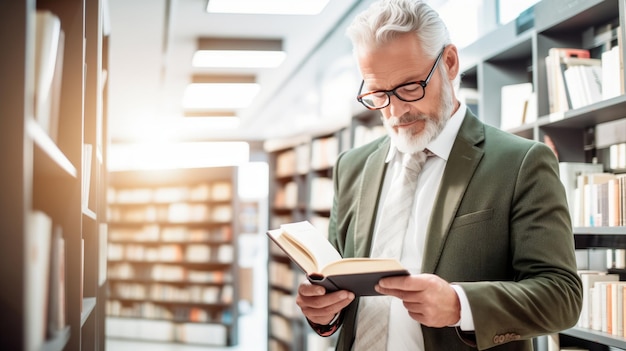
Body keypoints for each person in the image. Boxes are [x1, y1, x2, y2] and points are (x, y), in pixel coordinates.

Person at [294, 0, 583, 350]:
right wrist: (323, 312)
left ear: (449, 63)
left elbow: (562, 296)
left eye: (410, 87)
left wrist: (460, 304)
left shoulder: (520, 163)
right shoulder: (352, 166)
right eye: (378, 94)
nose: (397, 110)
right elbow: (338, 286)